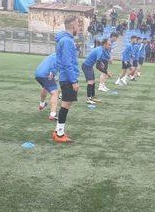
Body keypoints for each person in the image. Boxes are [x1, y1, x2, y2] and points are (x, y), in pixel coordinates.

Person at [53, 15, 80, 143]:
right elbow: (67, 62)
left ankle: (58, 130)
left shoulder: (64, 39)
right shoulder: (67, 41)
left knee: (66, 104)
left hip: (65, 77)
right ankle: (59, 134)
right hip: (68, 78)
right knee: (66, 104)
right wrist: (74, 81)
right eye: (78, 25)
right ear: (73, 26)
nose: (79, 28)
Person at [81, 38, 111, 105]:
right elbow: (97, 66)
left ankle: (92, 97)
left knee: (93, 81)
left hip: (89, 66)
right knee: (90, 82)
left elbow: (99, 61)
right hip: (86, 66)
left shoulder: (102, 49)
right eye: (109, 45)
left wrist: (101, 64)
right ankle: (88, 99)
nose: (110, 46)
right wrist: (107, 73)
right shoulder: (100, 50)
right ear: (104, 44)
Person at [35, 53, 60, 121]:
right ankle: (53, 114)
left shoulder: (54, 54)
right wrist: (52, 73)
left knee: (45, 87)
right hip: (46, 74)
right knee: (55, 93)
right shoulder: (61, 55)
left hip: (38, 73)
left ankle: (42, 104)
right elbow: (54, 65)